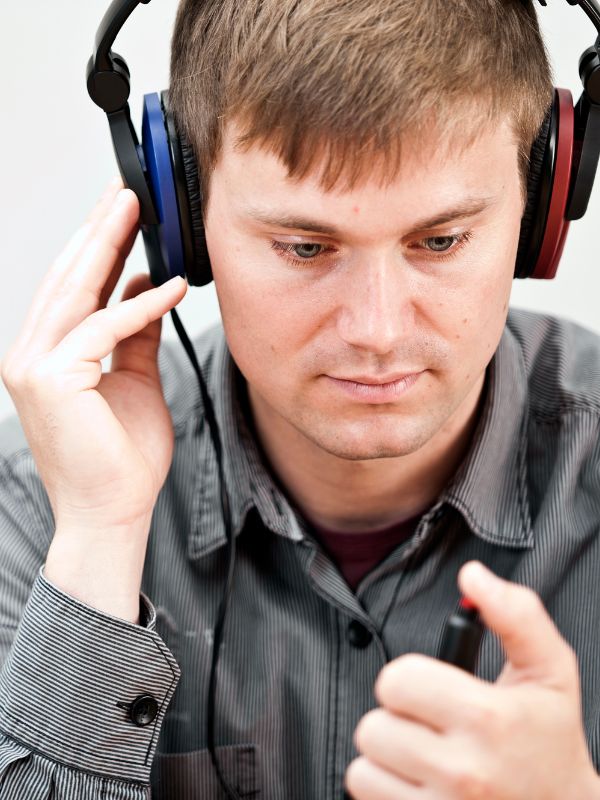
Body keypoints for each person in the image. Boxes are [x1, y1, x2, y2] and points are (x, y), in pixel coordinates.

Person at [1, 0, 600, 797]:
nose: (378, 330)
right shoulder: (42, 509)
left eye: (441, 240)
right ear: (183, 222)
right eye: (307, 247)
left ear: (540, 209)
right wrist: (100, 541)